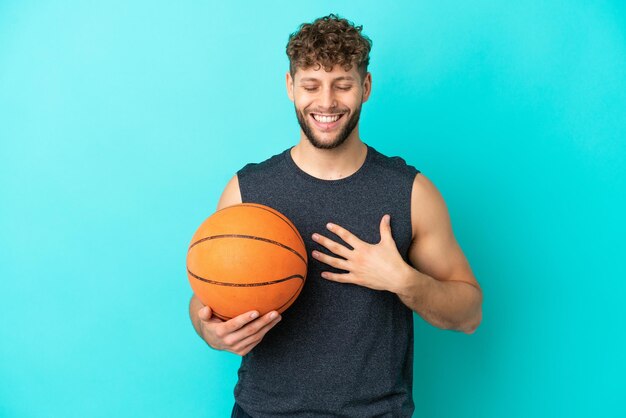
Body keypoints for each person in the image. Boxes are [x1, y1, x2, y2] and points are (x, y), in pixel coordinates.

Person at [189, 13, 483, 418]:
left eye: (342, 85)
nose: (326, 102)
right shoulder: (246, 190)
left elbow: (469, 314)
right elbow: (206, 297)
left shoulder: (411, 193)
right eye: (311, 85)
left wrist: (404, 281)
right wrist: (209, 331)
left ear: (365, 87)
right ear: (290, 87)